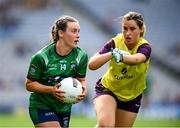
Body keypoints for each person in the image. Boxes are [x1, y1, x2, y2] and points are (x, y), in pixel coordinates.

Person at [88, 11, 152, 127]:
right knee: (105, 125)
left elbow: (137, 60)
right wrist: (111, 54)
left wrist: (120, 57)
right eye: (125, 28)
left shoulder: (145, 47)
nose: (128, 33)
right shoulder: (115, 42)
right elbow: (92, 64)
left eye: (132, 29)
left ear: (141, 29)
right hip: (108, 89)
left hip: (132, 96)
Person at [25, 15, 88, 128]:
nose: (78, 35)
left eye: (79, 31)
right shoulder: (41, 57)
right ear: (61, 33)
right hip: (41, 105)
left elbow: (81, 79)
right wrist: (51, 90)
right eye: (74, 31)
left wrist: (82, 90)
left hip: (64, 107)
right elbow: (29, 84)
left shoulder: (81, 56)